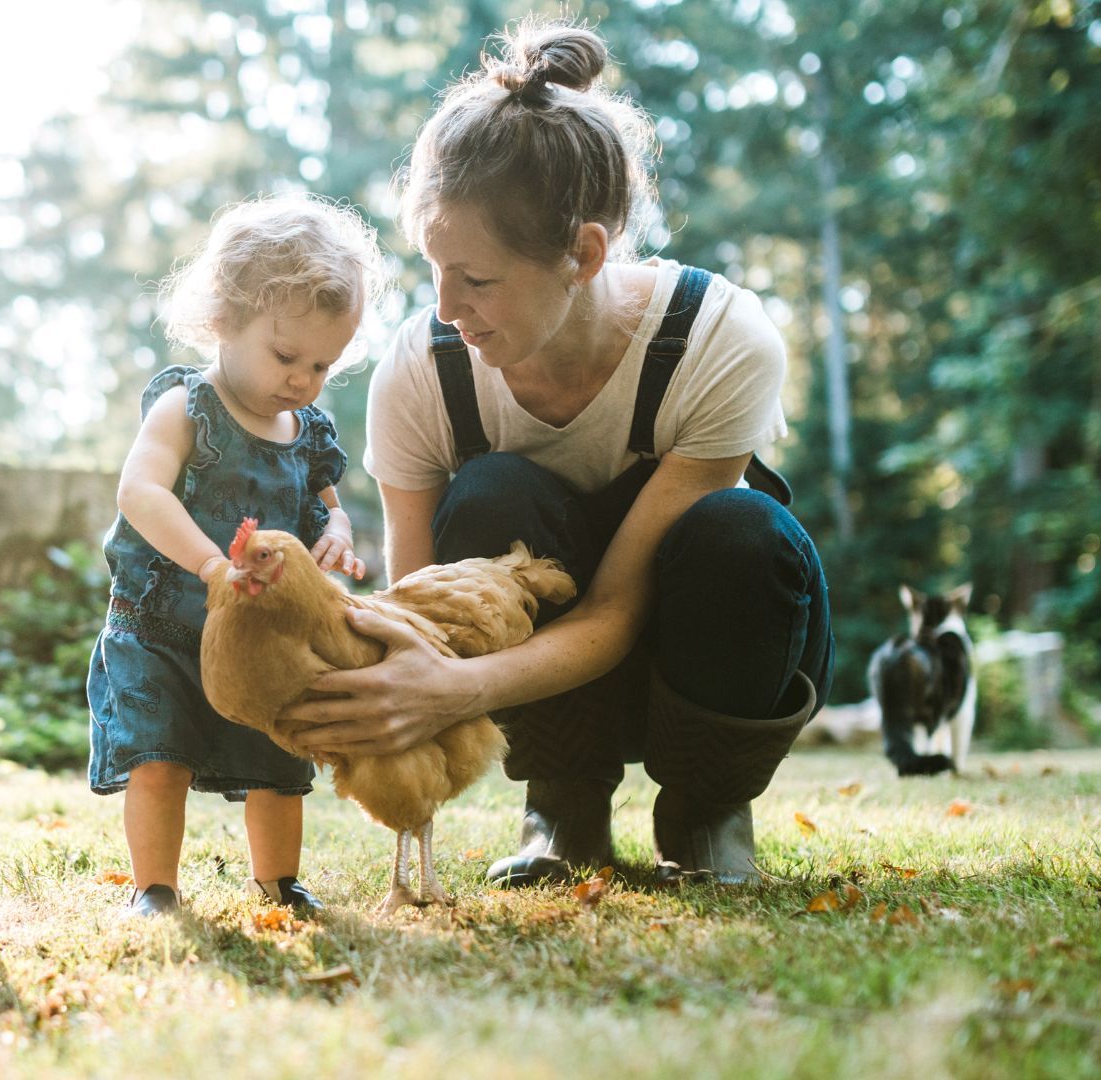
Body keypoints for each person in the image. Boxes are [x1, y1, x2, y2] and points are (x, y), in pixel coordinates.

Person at [285, 19, 834, 886]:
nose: (447, 306)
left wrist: (458, 691)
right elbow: (422, 610)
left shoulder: (722, 339)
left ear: (583, 252)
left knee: (741, 529)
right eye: (435, 268)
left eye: (479, 278)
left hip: (713, 654)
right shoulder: (424, 371)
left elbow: (618, 611)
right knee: (493, 491)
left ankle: (706, 812)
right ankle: (562, 811)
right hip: (541, 694)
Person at [86, 194, 386, 916]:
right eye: (287, 357)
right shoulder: (187, 408)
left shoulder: (308, 431)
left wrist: (337, 534)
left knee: (278, 768)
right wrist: (210, 565)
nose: (303, 380)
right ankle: (154, 889)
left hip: (257, 640)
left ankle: (279, 881)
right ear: (224, 320)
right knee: (158, 759)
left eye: (323, 364)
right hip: (161, 625)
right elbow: (141, 491)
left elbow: (325, 501)